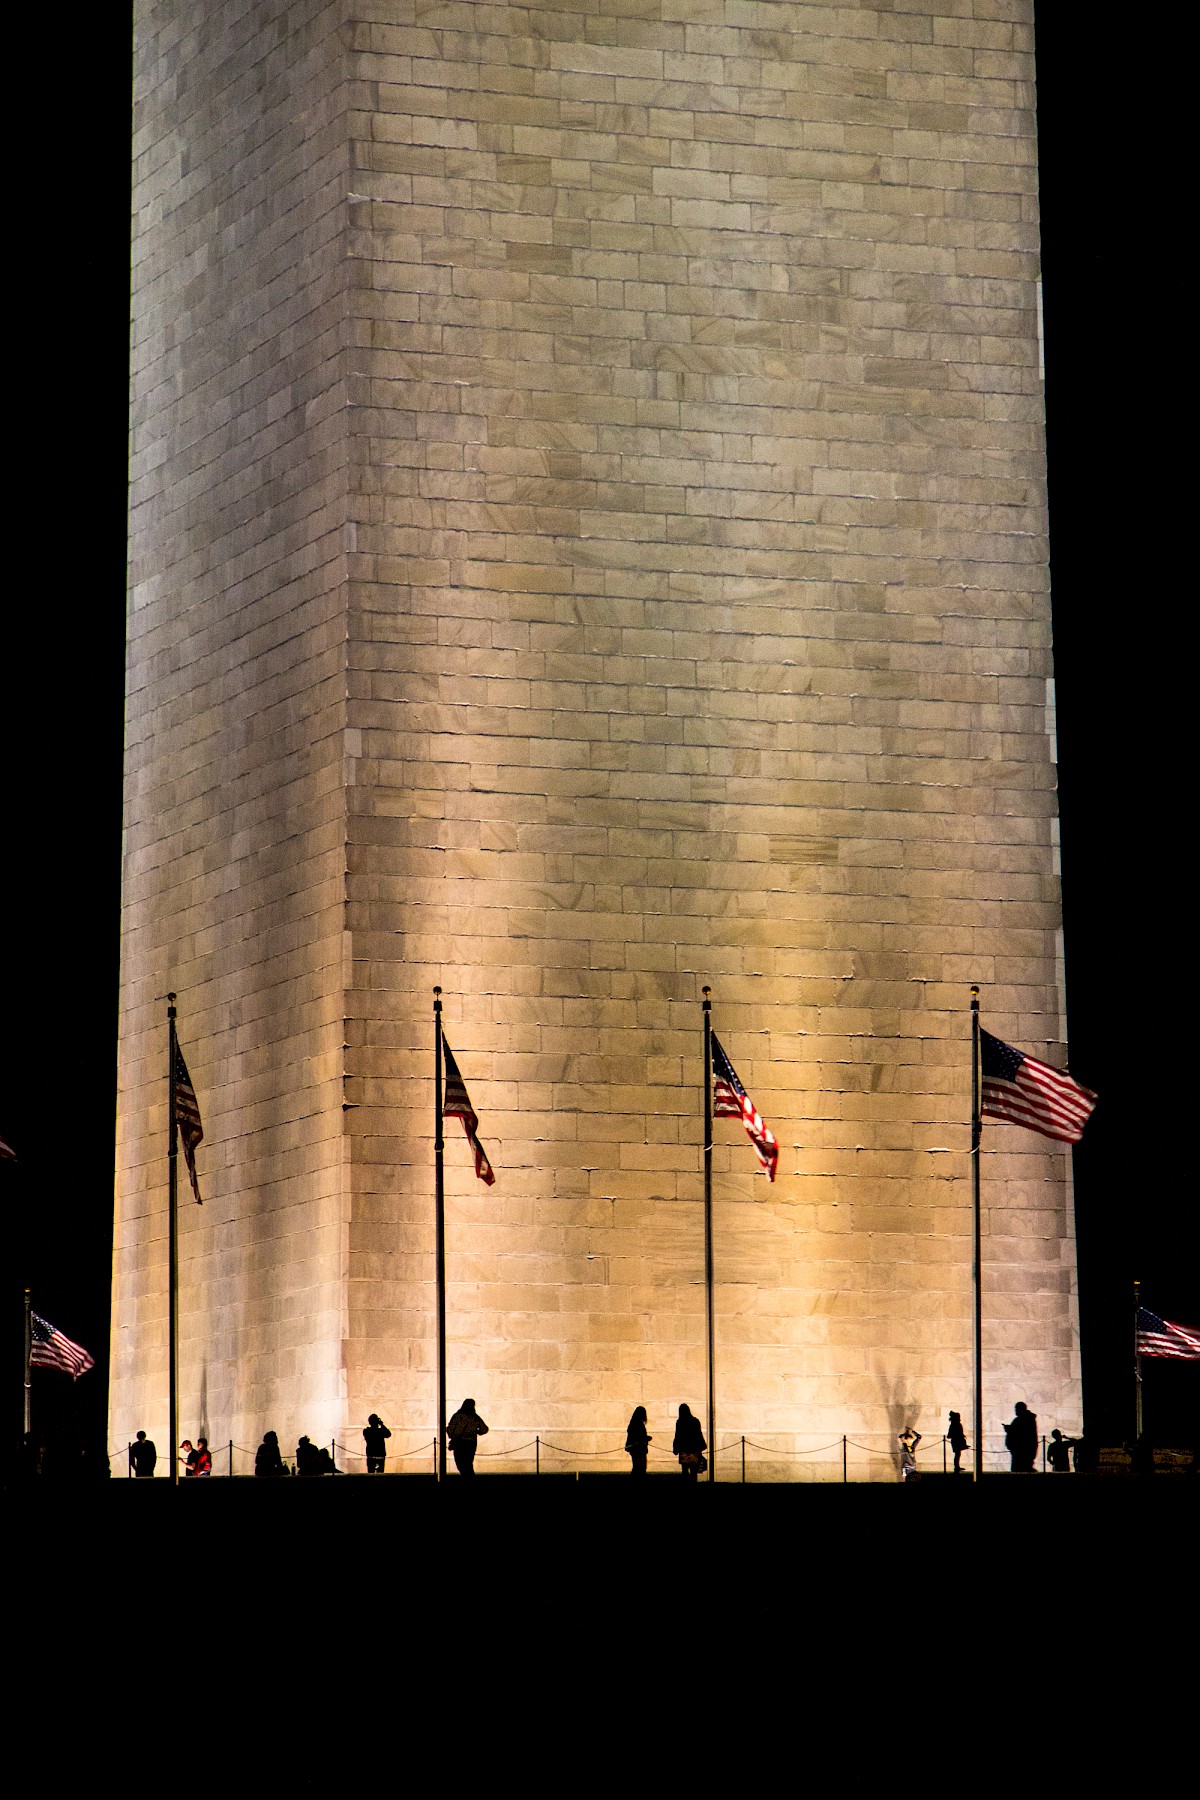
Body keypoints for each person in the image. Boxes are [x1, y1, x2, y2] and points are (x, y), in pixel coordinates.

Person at [446, 1398, 488, 1476]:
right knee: (468, 1463)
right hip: (470, 1443)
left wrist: (453, 1436)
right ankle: (470, 1480)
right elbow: (484, 1429)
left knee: (460, 1464)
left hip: (459, 1443)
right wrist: (476, 1432)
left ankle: (468, 1480)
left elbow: (450, 1428)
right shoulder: (474, 1417)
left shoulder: (457, 1416)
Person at [672, 1403, 707, 1479]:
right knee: (694, 1471)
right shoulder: (695, 1421)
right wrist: (701, 1446)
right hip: (693, 1449)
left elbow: (677, 1436)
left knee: (684, 1470)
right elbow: (698, 1434)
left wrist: (675, 1448)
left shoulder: (680, 1422)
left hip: (683, 1449)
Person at [1004, 1401, 1038, 1472]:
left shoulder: (1021, 1420)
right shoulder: (1029, 1420)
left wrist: (1009, 1430)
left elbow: (1019, 1434)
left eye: (1016, 1409)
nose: (1015, 1411)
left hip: (1020, 1452)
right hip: (1024, 1451)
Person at [625, 1406, 651, 1476]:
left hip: (634, 1449)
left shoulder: (633, 1423)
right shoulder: (639, 1424)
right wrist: (647, 1438)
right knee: (641, 1467)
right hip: (639, 1449)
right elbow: (640, 1437)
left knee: (636, 1467)